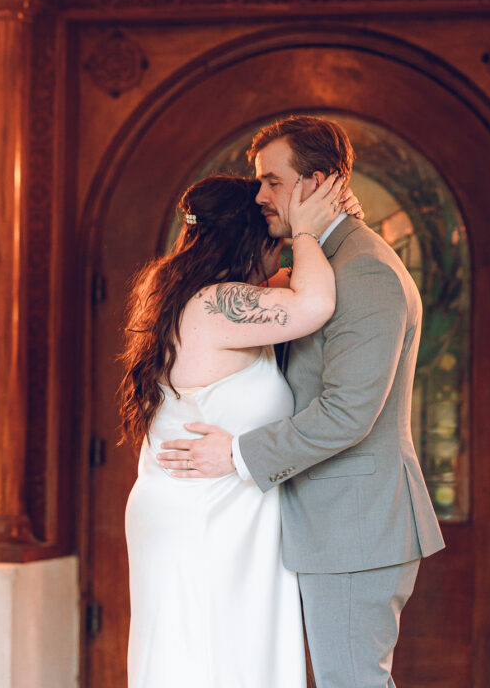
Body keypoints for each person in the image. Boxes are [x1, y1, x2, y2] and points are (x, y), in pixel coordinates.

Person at [157, 115, 446, 688]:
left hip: (354, 526)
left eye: (272, 181)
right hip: (323, 524)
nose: (259, 196)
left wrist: (236, 455)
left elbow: (348, 413)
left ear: (319, 183)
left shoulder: (365, 273)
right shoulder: (323, 266)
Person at [120, 169, 356, 688]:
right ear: (248, 238)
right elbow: (315, 302)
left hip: (215, 510)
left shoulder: (199, 297)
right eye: (273, 237)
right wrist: (309, 231)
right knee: (211, 662)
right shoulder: (214, 305)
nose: (282, 252)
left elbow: (293, 286)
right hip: (205, 518)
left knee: (223, 659)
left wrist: (322, 222)